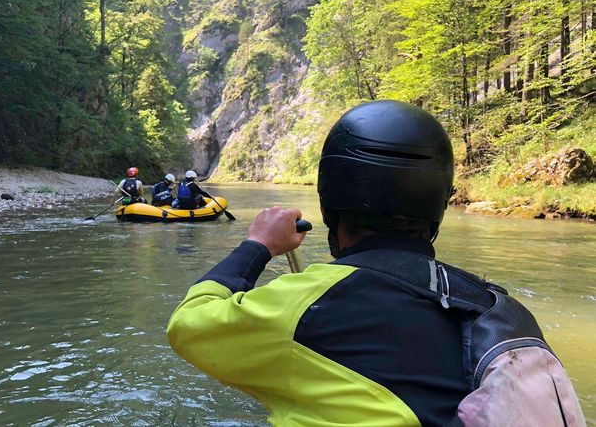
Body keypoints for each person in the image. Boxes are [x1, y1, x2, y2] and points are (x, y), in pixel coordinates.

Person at [166, 100, 584, 426]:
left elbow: (189, 324)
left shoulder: (306, 306)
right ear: (437, 201)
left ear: (332, 202)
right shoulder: (498, 308)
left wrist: (257, 244)